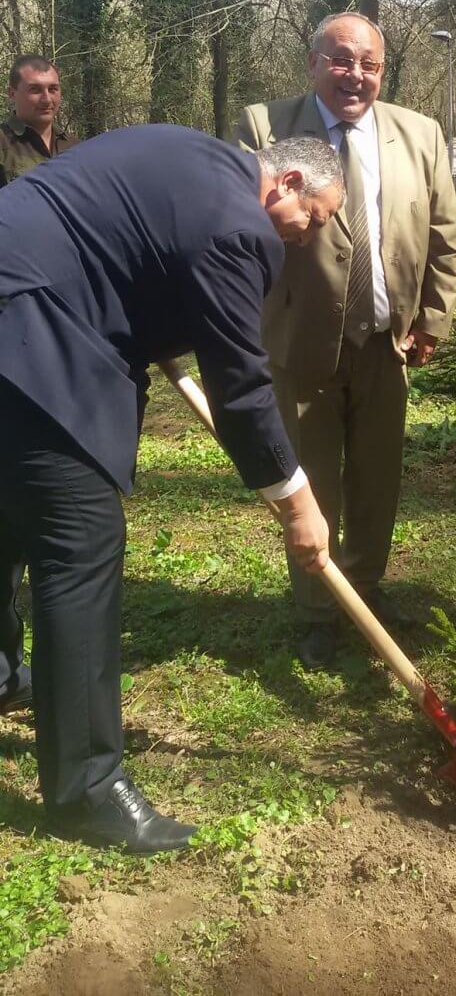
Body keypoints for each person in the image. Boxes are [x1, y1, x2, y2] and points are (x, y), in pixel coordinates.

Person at [0, 125, 342, 852]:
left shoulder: (194, 156)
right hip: (29, 328)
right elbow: (243, 389)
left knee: (7, 510)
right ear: (285, 184)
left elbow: (123, 240)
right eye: (310, 220)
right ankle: (87, 790)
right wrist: (298, 503)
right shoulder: (239, 227)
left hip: (18, 290)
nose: (303, 239)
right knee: (78, 537)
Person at [235, 12, 456, 670]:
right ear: (312, 63)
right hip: (299, 342)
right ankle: (316, 609)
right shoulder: (264, 126)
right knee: (311, 482)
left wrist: (433, 318)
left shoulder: (420, 133)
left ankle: (364, 588)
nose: (355, 75)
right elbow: (242, 232)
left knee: (376, 480)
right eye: (340, 59)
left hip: (386, 343)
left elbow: (443, 231)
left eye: (369, 64)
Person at [1, 55, 77, 185]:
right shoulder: (3, 144)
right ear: (12, 94)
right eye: (35, 90)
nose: (47, 99)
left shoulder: (73, 146)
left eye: (53, 89)